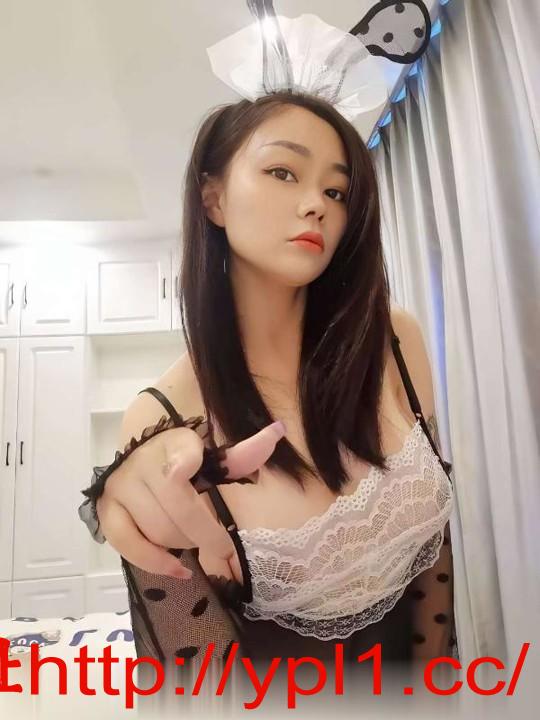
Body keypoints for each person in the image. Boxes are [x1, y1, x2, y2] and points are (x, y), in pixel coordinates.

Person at [79, 90, 457, 681]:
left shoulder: (395, 340)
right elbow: (189, 675)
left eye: (337, 192)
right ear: (213, 198)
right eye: (282, 172)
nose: (316, 206)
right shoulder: (163, 415)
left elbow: (435, 563)